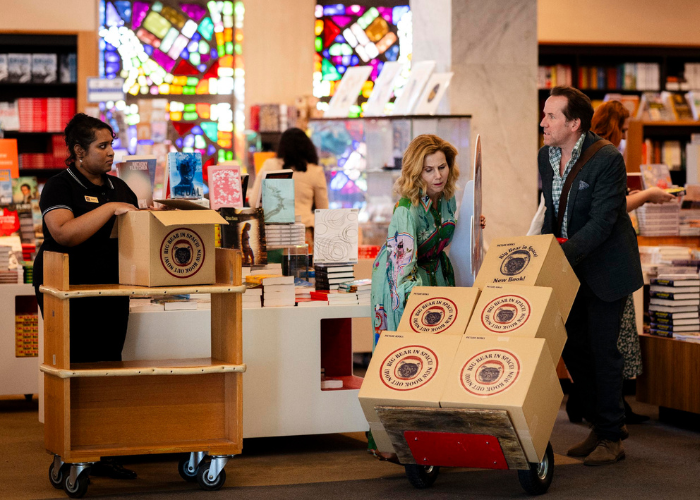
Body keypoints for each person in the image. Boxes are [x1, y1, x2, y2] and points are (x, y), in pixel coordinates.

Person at [538, 86, 643, 466]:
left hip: (606, 268)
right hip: (570, 268)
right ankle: (601, 426)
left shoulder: (607, 159)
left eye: (551, 116)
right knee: (573, 348)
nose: (542, 122)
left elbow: (602, 223)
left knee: (603, 350)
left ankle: (612, 437)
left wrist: (558, 257)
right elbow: (551, 212)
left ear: (574, 123)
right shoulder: (545, 156)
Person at [34, 113, 139, 479]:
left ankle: (103, 450)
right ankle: (68, 449)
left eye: (112, 144)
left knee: (108, 367)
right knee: (73, 367)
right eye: (102, 146)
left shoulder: (121, 188)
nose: (111, 152)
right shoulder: (59, 186)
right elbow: (62, 233)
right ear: (79, 151)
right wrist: (108, 210)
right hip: (66, 288)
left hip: (111, 288)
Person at [565, 101, 675, 425]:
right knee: (600, 344)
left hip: (598, 261)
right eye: (624, 130)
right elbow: (610, 210)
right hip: (596, 262)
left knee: (601, 344)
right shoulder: (602, 155)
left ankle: (606, 417)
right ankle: (605, 415)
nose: (626, 136)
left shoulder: (593, 156)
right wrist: (649, 194)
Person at [248, 128, 328, 243]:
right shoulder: (315, 171)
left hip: (273, 234)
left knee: (274, 262)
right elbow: (323, 210)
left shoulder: (269, 165)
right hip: (303, 233)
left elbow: (253, 201)